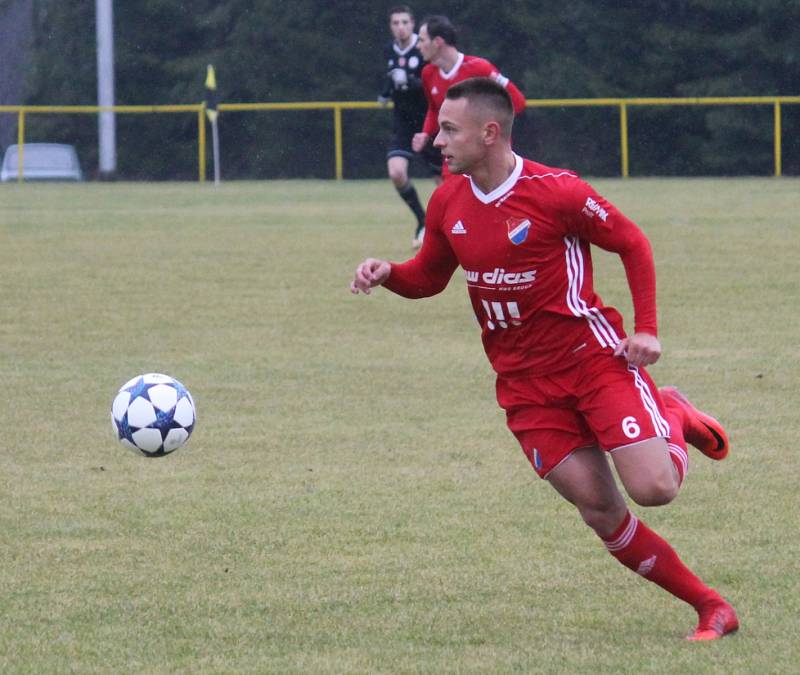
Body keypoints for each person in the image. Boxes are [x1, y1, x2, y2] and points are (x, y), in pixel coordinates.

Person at [351, 77, 739, 641]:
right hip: (524, 387)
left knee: (655, 489)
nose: (436, 139)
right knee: (601, 511)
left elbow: (632, 241)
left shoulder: (557, 192)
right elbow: (429, 279)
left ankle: (671, 411)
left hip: (592, 362)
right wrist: (389, 274)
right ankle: (712, 608)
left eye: (449, 129)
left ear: (490, 133)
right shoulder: (447, 201)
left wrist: (648, 330)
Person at [411, 15, 526, 176]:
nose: (418, 45)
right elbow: (434, 108)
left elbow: (518, 102)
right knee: (449, 199)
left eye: (422, 40)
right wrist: (425, 133)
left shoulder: (480, 68)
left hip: (489, 161)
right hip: (454, 162)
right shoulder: (428, 74)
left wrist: (484, 131)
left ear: (437, 42)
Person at [379, 5, 443, 249]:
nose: (400, 27)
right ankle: (422, 219)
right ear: (391, 26)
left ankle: (448, 230)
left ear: (413, 23)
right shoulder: (389, 50)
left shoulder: (423, 47)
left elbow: (432, 81)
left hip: (429, 121)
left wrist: (411, 81)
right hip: (403, 123)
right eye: (395, 23)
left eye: (404, 22)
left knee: (444, 182)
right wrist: (385, 93)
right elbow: (390, 76)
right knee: (396, 172)